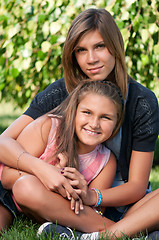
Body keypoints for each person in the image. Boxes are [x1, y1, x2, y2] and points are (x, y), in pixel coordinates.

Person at [0, 7, 158, 238]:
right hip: (53, 194)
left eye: (100, 46)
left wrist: (94, 196)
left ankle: (102, 234)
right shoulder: (60, 92)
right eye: (81, 50)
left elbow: (135, 186)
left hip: (115, 200)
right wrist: (43, 170)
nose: (91, 59)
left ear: (115, 46)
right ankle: (127, 231)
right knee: (21, 191)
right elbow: (4, 142)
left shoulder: (142, 102)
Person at [1, 80, 124, 238]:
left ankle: (117, 230)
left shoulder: (106, 160)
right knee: (25, 187)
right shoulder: (48, 127)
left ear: (117, 123)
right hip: (9, 199)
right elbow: (6, 178)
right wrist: (47, 173)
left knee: (27, 187)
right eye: (87, 112)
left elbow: (96, 212)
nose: (94, 124)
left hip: (54, 212)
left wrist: (81, 192)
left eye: (105, 117)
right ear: (74, 111)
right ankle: (119, 230)